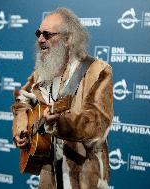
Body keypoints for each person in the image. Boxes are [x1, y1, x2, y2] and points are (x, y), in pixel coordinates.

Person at [11, 8, 113, 189]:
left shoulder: (96, 71)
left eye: (47, 35)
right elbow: (21, 101)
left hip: (83, 176)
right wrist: (21, 128)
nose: (40, 39)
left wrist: (60, 122)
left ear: (68, 39)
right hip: (48, 176)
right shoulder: (41, 73)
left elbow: (96, 123)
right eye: (38, 33)